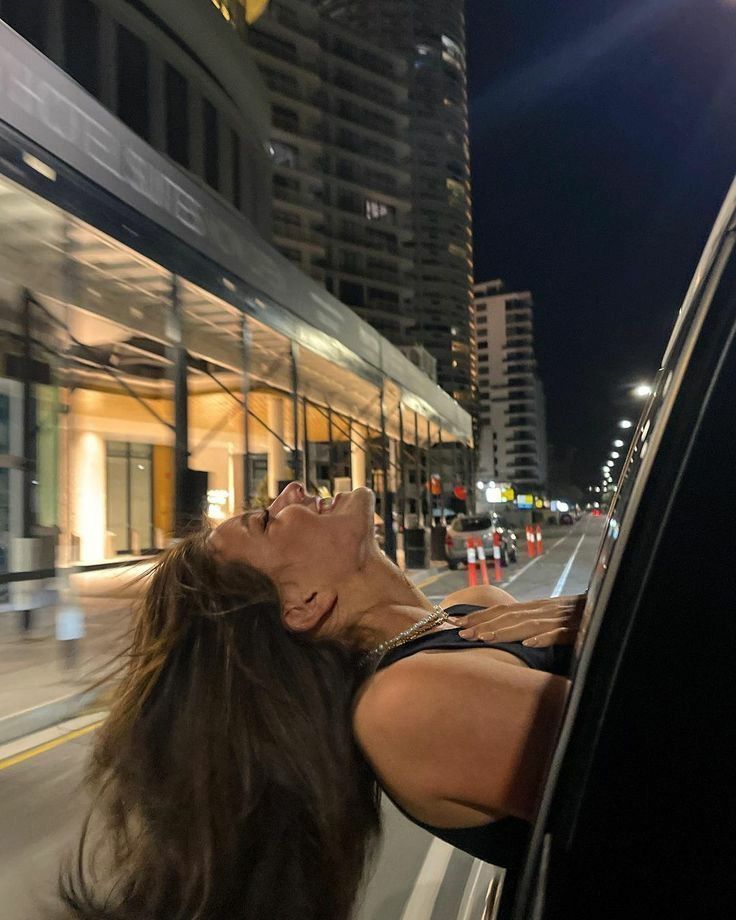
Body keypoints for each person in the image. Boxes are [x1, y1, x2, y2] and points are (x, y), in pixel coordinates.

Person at [59, 482, 583, 920]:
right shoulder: (405, 704)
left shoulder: (473, 607)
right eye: (267, 520)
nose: (293, 492)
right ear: (303, 603)